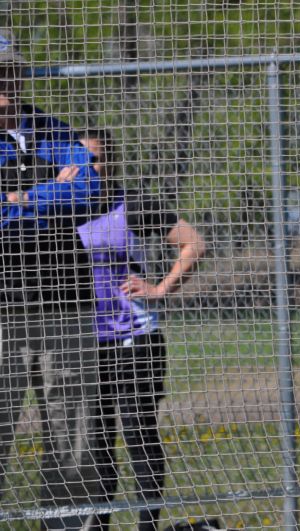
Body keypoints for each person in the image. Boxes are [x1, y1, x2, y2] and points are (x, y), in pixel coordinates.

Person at [61, 129, 206, 531]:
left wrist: (158, 289)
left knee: (139, 434)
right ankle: (99, 524)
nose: (89, 167)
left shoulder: (133, 205)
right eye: (79, 159)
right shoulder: (54, 209)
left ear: (111, 163)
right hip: (82, 345)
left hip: (134, 340)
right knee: (97, 443)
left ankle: (147, 525)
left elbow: (194, 244)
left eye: (97, 159)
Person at [0, 29, 106, 529]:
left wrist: (23, 199)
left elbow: (90, 194)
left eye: (10, 73)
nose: (5, 86)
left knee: (72, 439)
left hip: (63, 306)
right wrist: (48, 190)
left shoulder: (56, 133)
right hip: (4, 311)